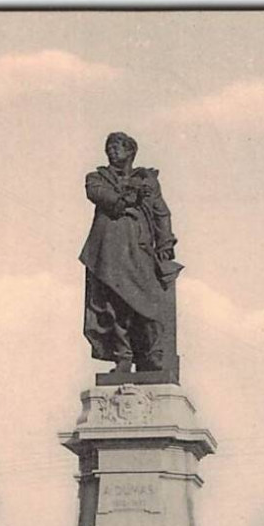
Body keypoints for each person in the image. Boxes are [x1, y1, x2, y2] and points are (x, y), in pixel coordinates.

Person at [79, 132, 182, 373]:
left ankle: (152, 353)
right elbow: (105, 198)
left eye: (118, 146)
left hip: (140, 246)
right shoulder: (96, 178)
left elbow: (161, 212)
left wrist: (166, 243)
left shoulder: (148, 180)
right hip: (109, 249)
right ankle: (122, 356)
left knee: (149, 299)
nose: (113, 151)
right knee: (115, 304)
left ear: (131, 151)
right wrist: (131, 194)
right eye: (109, 147)